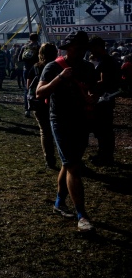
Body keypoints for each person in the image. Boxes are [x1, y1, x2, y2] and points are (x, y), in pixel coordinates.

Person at [36, 31, 98, 233]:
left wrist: (92, 97)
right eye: (77, 47)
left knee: (69, 162)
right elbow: (40, 92)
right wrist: (60, 79)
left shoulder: (88, 68)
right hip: (60, 120)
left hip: (81, 119)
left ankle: (59, 202)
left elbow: (92, 90)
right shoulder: (53, 66)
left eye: (83, 48)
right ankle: (82, 215)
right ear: (68, 48)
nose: (81, 51)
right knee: (73, 166)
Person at [87, 36, 120, 166]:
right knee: (103, 130)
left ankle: (105, 156)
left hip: (104, 99)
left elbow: (103, 81)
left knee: (104, 129)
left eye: (92, 48)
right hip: (106, 98)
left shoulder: (106, 61)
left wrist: (89, 85)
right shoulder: (108, 60)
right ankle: (104, 154)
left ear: (98, 47)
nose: (90, 51)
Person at [27, 43, 58, 169]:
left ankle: (49, 159)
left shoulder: (36, 67)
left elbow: (28, 85)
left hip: (39, 102)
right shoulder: (58, 67)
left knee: (45, 131)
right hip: (55, 101)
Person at [20, 33, 40, 117]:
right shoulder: (39, 47)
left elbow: (19, 58)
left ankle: (27, 109)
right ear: (37, 38)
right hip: (36, 70)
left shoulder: (24, 47)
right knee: (38, 88)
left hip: (26, 69)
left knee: (27, 89)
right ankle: (37, 107)